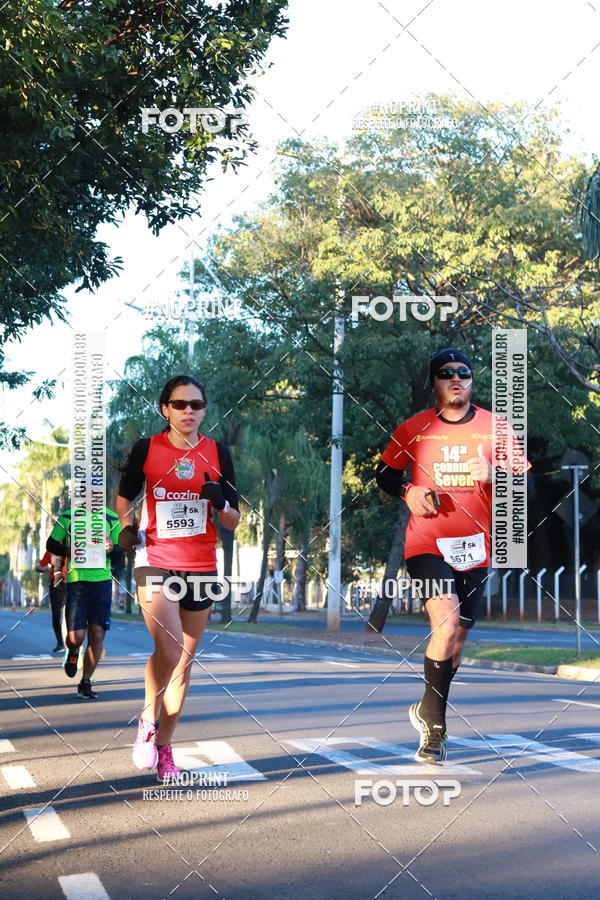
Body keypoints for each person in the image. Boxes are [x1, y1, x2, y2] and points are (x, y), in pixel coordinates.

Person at [376, 347, 529, 764]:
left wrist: (495, 475)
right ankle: (436, 733)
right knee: (444, 622)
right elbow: (385, 475)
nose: (456, 378)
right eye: (446, 373)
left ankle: (428, 708)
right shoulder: (414, 428)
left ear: (472, 381)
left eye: (464, 372)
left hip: (476, 548)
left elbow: (524, 490)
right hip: (426, 544)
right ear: (434, 383)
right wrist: (408, 491)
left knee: (457, 639)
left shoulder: (496, 428)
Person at [116, 375, 240, 782]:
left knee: (184, 666)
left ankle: (166, 749)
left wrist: (220, 502)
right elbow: (126, 494)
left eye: (197, 405)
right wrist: (127, 524)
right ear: (165, 408)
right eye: (180, 404)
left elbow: (234, 521)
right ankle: (147, 721)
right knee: (168, 648)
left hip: (201, 566)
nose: (189, 411)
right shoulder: (147, 449)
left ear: (205, 410)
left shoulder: (217, 453)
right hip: (155, 559)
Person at [46, 507, 121, 699]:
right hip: (77, 582)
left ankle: (85, 681)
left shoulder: (111, 517)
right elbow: (51, 544)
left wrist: (112, 547)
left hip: (102, 583)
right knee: (75, 638)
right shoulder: (69, 516)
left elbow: (121, 552)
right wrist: (68, 550)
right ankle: (72, 652)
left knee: (97, 634)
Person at [36, 550, 66, 653]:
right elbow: (38, 566)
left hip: (72, 583)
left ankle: (72, 644)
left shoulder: (75, 544)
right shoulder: (52, 550)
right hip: (56, 584)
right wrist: (46, 569)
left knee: (70, 615)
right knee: (56, 616)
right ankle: (60, 643)